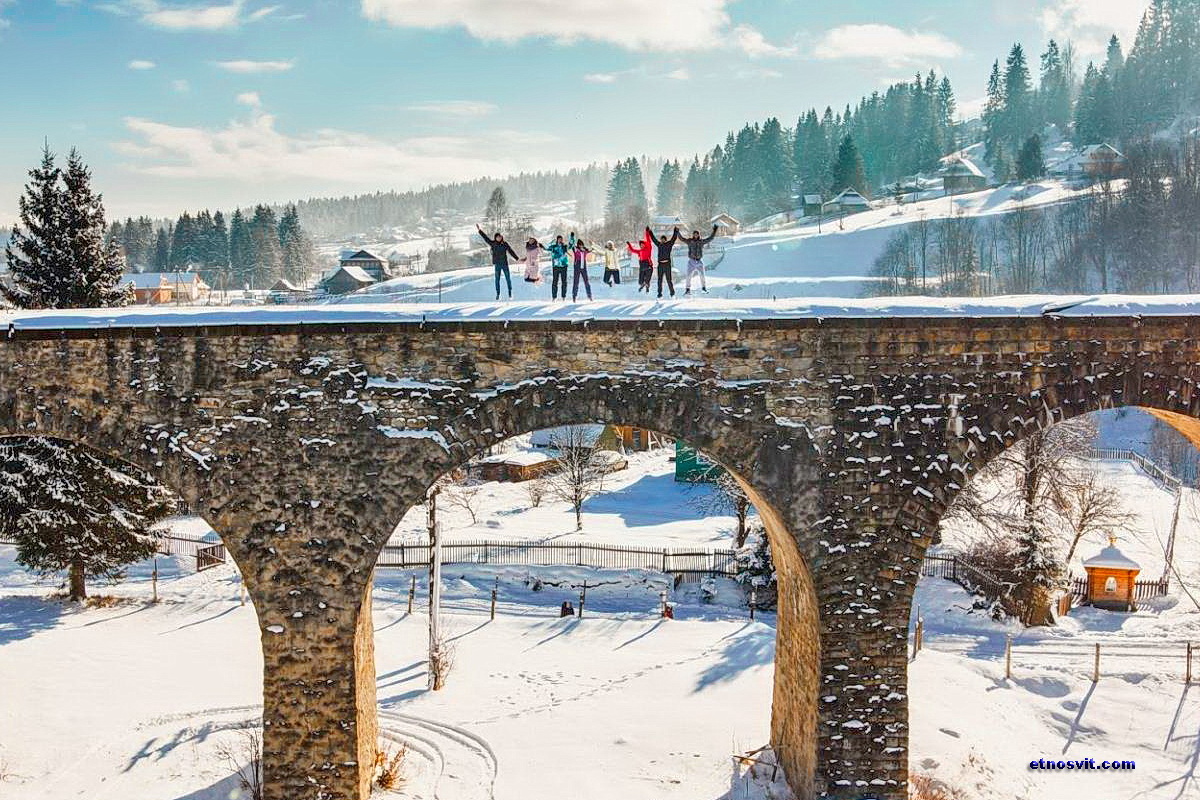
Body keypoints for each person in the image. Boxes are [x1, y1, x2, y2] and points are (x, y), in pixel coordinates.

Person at [476, 224, 520, 300]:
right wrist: (479, 230)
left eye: (500, 237)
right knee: (497, 280)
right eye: (497, 237)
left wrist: (517, 259)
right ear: (495, 238)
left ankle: (510, 292)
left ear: (501, 237)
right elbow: (485, 238)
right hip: (497, 265)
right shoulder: (493, 244)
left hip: (504, 264)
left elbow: (511, 251)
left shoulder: (505, 244)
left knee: (508, 279)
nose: (499, 238)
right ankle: (498, 294)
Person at [682, 224, 719, 295]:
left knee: (702, 275)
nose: (696, 235)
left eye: (697, 234)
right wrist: (677, 232)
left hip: (699, 261)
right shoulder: (690, 241)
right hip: (691, 261)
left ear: (698, 235)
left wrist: (714, 230)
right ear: (693, 235)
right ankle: (687, 290)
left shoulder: (701, 241)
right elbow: (682, 239)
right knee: (688, 276)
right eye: (694, 234)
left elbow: (710, 238)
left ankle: (704, 288)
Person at [649, 225, 681, 298]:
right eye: (661, 239)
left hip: (667, 264)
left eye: (663, 239)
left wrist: (675, 231)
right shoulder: (659, 245)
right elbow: (654, 239)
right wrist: (650, 232)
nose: (662, 240)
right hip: (660, 265)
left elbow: (673, 239)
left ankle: (672, 293)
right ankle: (659, 294)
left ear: (665, 240)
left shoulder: (669, 244)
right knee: (659, 280)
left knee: (669, 280)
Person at [545, 234, 571, 300]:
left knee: (564, 282)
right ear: (557, 240)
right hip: (556, 266)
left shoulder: (564, 246)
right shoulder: (553, 247)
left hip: (563, 266)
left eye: (561, 239)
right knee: (555, 282)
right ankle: (554, 297)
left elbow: (571, 245)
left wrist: (572, 237)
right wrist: (551, 242)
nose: (560, 240)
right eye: (559, 239)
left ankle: (563, 296)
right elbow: (546, 247)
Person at [569, 233, 593, 301]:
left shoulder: (585, 250)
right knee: (576, 282)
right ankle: (574, 296)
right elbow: (571, 244)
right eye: (580, 245)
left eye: (582, 245)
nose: (581, 246)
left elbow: (592, 249)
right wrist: (572, 237)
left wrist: (592, 244)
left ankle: (589, 295)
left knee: (586, 282)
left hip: (583, 267)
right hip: (577, 267)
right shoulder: (576, 249)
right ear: (578, 245)